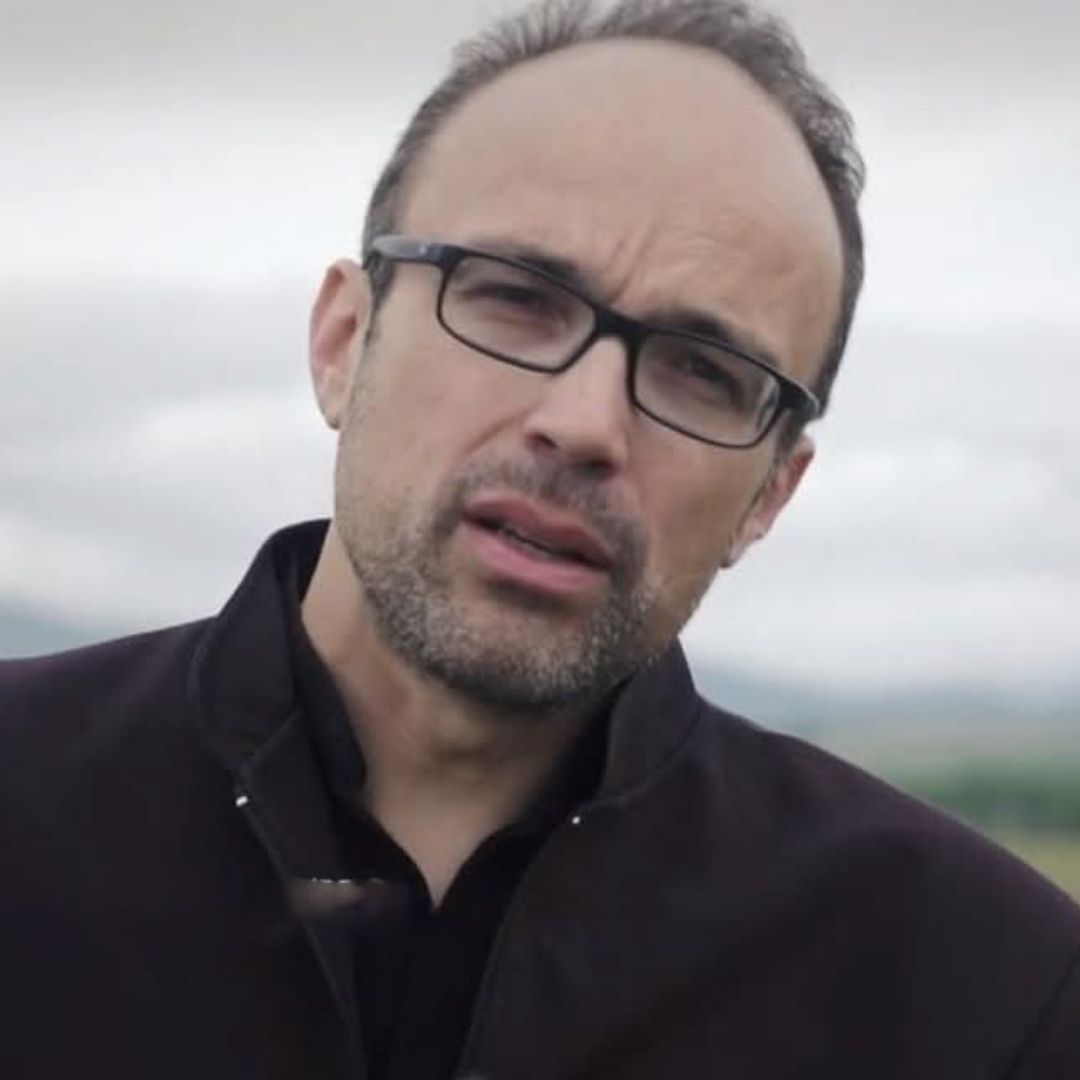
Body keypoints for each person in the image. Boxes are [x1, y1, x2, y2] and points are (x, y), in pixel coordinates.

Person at [1, 0, 1077, 1076]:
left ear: (769, 496)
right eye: (516, 299)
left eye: (702, 371)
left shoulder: (990, 998)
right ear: (343, 341)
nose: (585, 423)